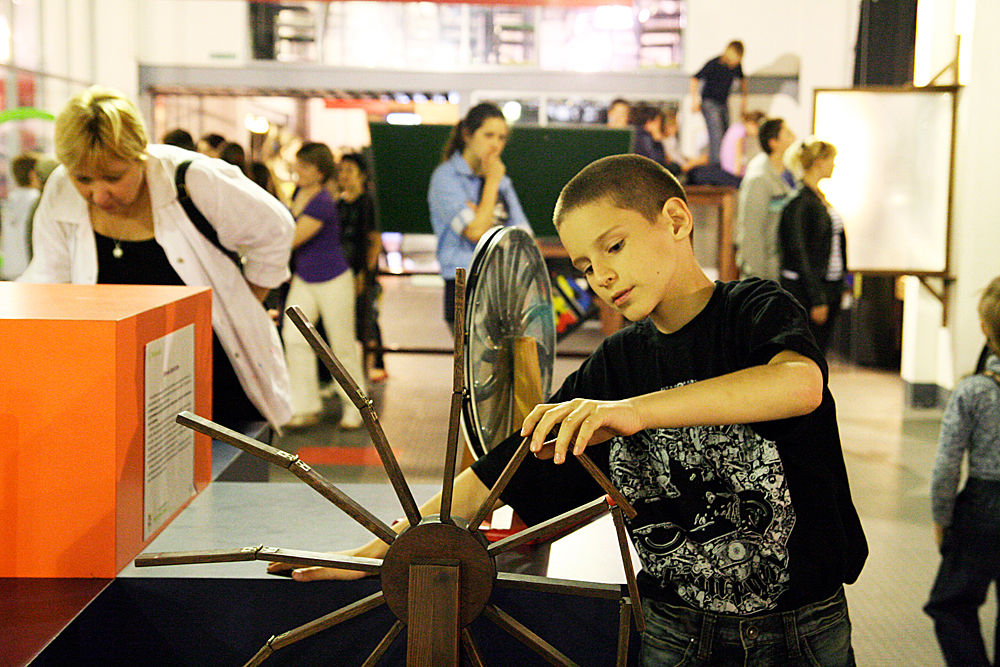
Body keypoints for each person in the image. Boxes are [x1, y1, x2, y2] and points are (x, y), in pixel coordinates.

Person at [269, 154, 868, 666]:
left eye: (614, 246)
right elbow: (500, 474)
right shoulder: (615, 364)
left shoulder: (754, 311)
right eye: (584, 266)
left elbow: (797, 386)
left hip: (803, 630)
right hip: (673, 630)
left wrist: (635, 412)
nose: (603, 276)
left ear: (677, 219)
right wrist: (374, 554)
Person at [18, 86, 294, 430]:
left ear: (140, 155)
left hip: (217, 380)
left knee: (228, 473)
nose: (98, 194)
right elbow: (50, 282)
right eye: (83, 179)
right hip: (123, 390)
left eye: (114, 177)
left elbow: (276, 229)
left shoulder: (192, 179)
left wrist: (244, 301)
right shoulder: (61, 188)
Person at [924, 276, 1000, 667]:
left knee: (951, 604)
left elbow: (947, 464)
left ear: (986, 328)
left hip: (983, 509)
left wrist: (942, 518)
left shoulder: (974, 392)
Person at [282, 141, 365, 430]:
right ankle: (305, 406)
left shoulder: (322, 202)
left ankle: (356, 408)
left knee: (340, 345)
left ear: (319, 172)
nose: (298, 170)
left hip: (333, 279)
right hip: (305, 277)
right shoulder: (299, 194)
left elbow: (292, 238)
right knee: (293, 338)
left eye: (304, 166)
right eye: (298, 164)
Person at [428, 101, 532, 329]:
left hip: (502, 281)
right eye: (488, 135)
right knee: (469, 364)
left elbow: (524, 236)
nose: (495, 145)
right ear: (467, 134)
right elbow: (475, 232)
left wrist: (483, 217)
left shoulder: (502, 181)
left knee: (506, 363)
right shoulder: (446, 177)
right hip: (464, 281)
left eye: (501, 138)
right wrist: (492, 183)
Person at [778, 137, 846, 355]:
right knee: (809, 353)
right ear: (818, 161)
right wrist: (817, 297)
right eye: (831, 160)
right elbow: (799, 253)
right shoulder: (799, 202)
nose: (834, 165)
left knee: (819, 352)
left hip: (828, 285)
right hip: (811, 290)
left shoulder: (818, 199)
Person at [337, 151, 386, 382]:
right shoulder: (339, 203)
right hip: (340, 271)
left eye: (349, 171)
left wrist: (364, 273)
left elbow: (375, 242)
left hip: (360, 272)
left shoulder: (368, 203)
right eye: (341, 170)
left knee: (366, 318)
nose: (344, 175)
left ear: (362, 176)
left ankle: (371, 368)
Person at [735, 117, 796, 281]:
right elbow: (751, 232)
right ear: (773, 143)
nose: (795, 138)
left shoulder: (787, 176)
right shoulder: (759, 178)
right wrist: (757, 280)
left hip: (779, 273)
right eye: (789, 135)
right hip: (765, 276)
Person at [690, 40, 748, 167]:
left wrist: (744, 102)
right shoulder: (714, 64)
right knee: (716, 135)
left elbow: (743, 82)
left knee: (726, 135)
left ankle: (725, 164)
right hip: (709, 103)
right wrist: (694, 101)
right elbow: (694, 79)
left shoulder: (736, 66)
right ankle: (716, 167)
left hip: (723, 103)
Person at [1, 153, 41, 280]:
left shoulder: (9, 199)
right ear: (32, 174)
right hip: (29, 272)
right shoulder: (36, 199)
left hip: (9, 270)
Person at [720, 109, 765, 177]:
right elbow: (738, 158)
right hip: (731, 172)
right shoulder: (741, 133)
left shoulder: (736, 126)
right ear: (752, 124)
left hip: (726, 168)